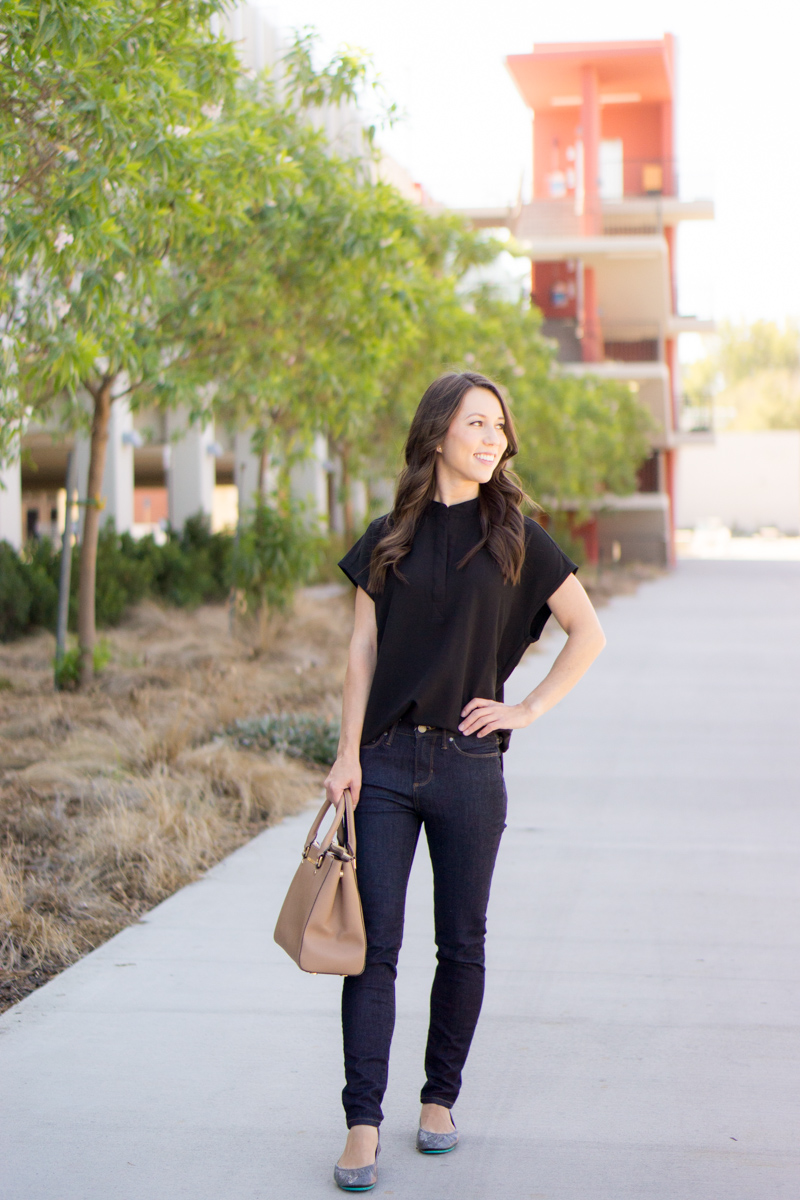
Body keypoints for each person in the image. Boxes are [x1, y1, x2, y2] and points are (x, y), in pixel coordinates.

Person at [326, 371, 606, 1191]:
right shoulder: (390, 536)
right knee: (372, 951)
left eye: (500, 428)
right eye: (477, 423)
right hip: (382, 763)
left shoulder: (517, 535)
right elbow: (361, 653)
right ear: (439, 432)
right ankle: (362, 1123)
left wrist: (527, 710)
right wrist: (347, 753)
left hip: (469, 767)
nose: (492, 439)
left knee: (463, 941)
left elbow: (586, 633)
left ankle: (440, 1099)